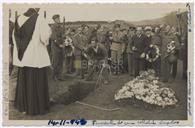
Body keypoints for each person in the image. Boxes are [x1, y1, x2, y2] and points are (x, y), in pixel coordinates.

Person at [13, 8, 51, 115]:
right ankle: (36, 107)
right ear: (37, 8)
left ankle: (23, 106)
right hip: (35, 57)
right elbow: (44, 37)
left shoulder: (18, 18)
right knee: (36, 82)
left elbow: (14, 37)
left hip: (23, 57)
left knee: (24, 81)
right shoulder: (39, 18)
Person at [50, 14, 65, 81]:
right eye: (58, 19)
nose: (59, 19)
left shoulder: (60, 27)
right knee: (56, 62)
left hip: (61, 46)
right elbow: (54, 38)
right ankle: (54, 76)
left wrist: (64, 42)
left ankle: (60, 76)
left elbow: (62, 36)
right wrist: (59, 44)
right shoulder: (53, 27)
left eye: (59, 18)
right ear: (55, 20)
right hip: (55, 46)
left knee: (61, 62)